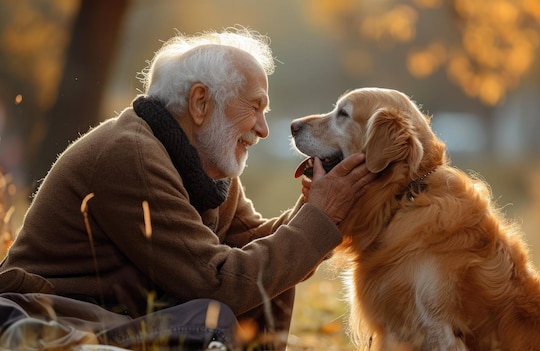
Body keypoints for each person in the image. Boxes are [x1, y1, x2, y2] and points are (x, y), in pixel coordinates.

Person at [0, 27, 375, 350]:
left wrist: (317, 206)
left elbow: (254, 247)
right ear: (200, 103)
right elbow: (217, 284)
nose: (263, 128)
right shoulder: (131, 154)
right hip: (54, 323)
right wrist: (321, 214)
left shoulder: (206, 163)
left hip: (111, 320)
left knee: (272, 280)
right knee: (211, 317)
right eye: (255, 107)